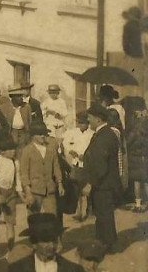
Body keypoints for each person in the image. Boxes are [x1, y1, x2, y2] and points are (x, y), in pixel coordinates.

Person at [83, 104, 122, 252]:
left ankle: (107, 244)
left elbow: (100, 165)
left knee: (104, 214)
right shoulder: (104, 133)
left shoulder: (105, 135)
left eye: (90, 117)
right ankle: (104, 242)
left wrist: (90, 184)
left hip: (103, 184)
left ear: (98, 119)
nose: (88, 120)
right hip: (103, 183)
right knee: (102, 213)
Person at [7, 213, 83, 272]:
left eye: (54, 240)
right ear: (34, 243)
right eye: (46, 240)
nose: (52, 245)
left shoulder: (73, 269)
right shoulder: (17, 269)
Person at [18, 120, 64, 215]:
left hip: (49, 189)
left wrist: (60, 184)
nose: (42, 136)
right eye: (39, 134)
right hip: (34, 190)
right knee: (33, 218)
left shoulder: (51, 149)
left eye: (44, 134)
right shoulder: (27, 150)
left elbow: (56, 167)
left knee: (52, 217)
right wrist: (28, 192)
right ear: (33, 136)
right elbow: (24, 173)